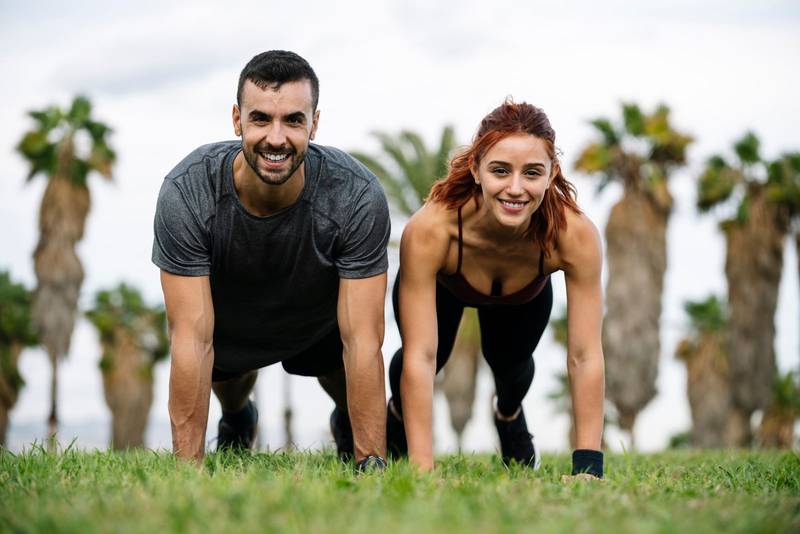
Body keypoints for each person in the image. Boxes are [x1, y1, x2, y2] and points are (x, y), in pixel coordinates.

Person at [152, 50, 390, 470]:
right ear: (236, 120)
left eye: (293, 121)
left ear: (314, 124)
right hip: (230, 324)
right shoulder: (188, 192)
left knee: (341, 364)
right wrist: (186, 474)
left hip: (319, 323)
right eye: (261, 118)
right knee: (226, 378)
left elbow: (364, 341)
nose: (276, 138)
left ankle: (347, 427)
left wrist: (372, 462)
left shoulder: (356, 195)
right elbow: (191, 339)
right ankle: (238, 419)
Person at [386, 100, 605, 478]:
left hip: (523, 298)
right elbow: (421, 357)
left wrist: (589, 468)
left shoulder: (574, 236)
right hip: (446, 288)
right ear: (475, 169)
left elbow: (584, 355)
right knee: (421, 357)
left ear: (552, 174)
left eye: (533, 172)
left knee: (511, 368)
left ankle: (509, 416)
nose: (515, 189)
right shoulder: (432, 230)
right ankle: (395, 418)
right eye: (500, 171)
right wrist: (422, 472)